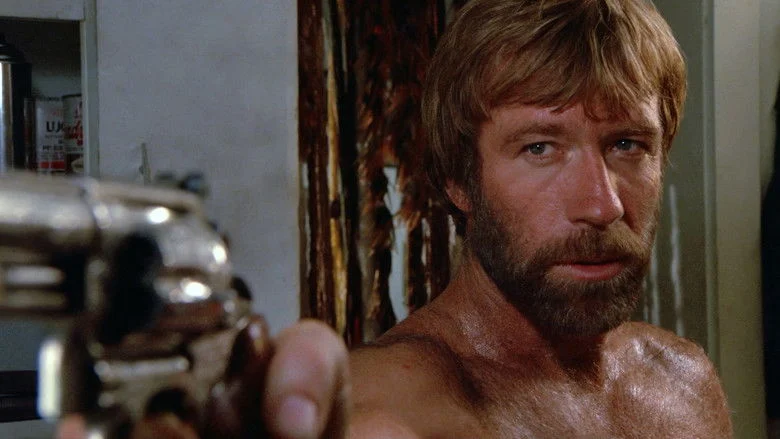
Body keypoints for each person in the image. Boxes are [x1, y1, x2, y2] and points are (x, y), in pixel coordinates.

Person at [60, 0, 733, 437]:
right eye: (539, 148)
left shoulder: (685, 384)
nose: (602, 204)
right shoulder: (384, 409)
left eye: (627, 145)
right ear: (457, 179)